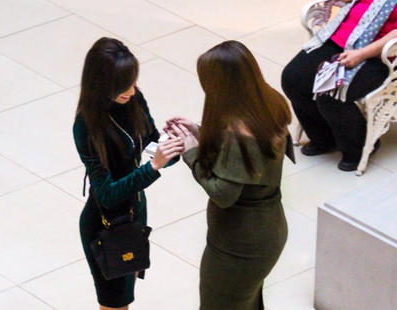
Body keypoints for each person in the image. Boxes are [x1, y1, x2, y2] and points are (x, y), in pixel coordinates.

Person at [165, 40, 294, 310]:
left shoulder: (239, 134)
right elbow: (246, 162)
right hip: (267, 230)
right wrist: (200, 131)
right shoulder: (268, 103)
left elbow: (223, 194)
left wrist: (192, 153)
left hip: (240, 245)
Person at [73, 37, 184, 310]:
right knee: (114, 303)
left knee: (124, 297)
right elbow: (107, 194)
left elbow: (150, 141)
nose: (131, 91)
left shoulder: (134, 99)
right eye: (123, 85)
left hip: (135, 213)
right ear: (101, 84)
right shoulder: (86, 126)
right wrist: (153, 167)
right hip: (105, 225)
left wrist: (172, 147)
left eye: (133, 82)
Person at [282, 0, 397, 171]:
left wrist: (360, 54)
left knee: (331, 93)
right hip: (342, 36)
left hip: (380, 54)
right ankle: (324, 138)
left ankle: (357, 146)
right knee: (293, 78)